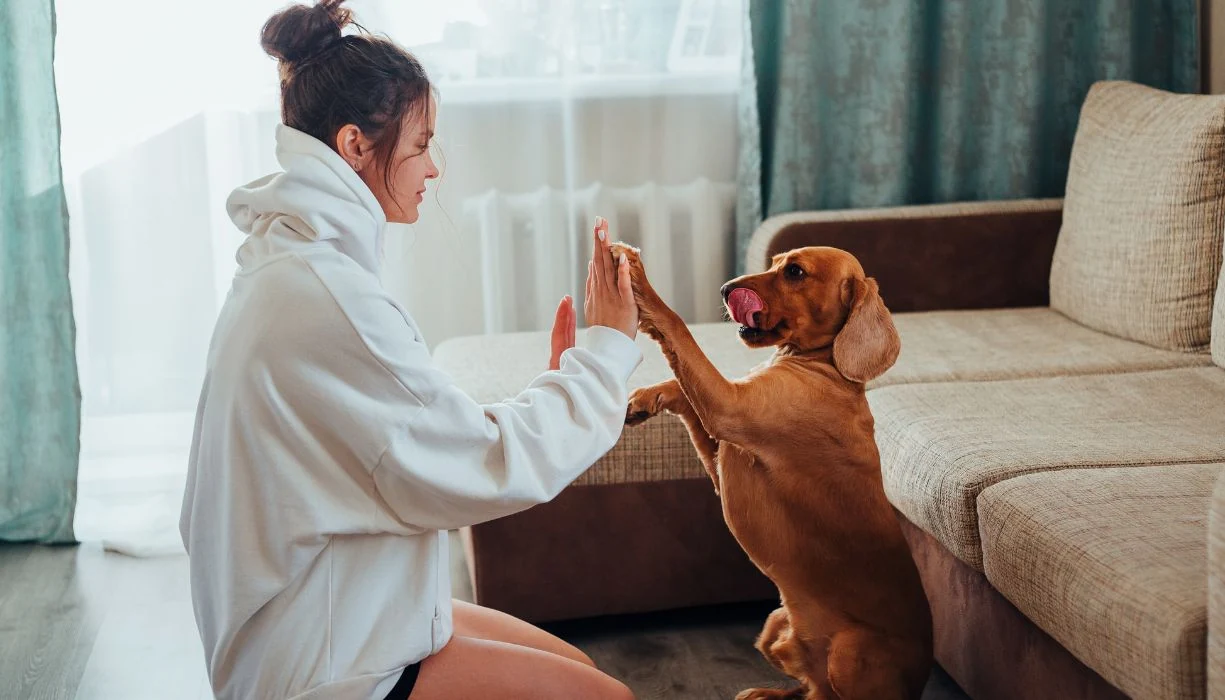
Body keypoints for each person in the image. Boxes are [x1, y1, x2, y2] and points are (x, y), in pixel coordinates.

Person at [178, 2, 640, 698]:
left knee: (580, 671)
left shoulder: (296, 263)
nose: (434, 168)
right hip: (323, 658)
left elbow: (407, 434)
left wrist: (563, 381)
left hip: (333, 605)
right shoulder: (323, 293)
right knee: (608, 698)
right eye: (421, 143)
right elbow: (482, 462)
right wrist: (604, 351)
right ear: (355, 145)